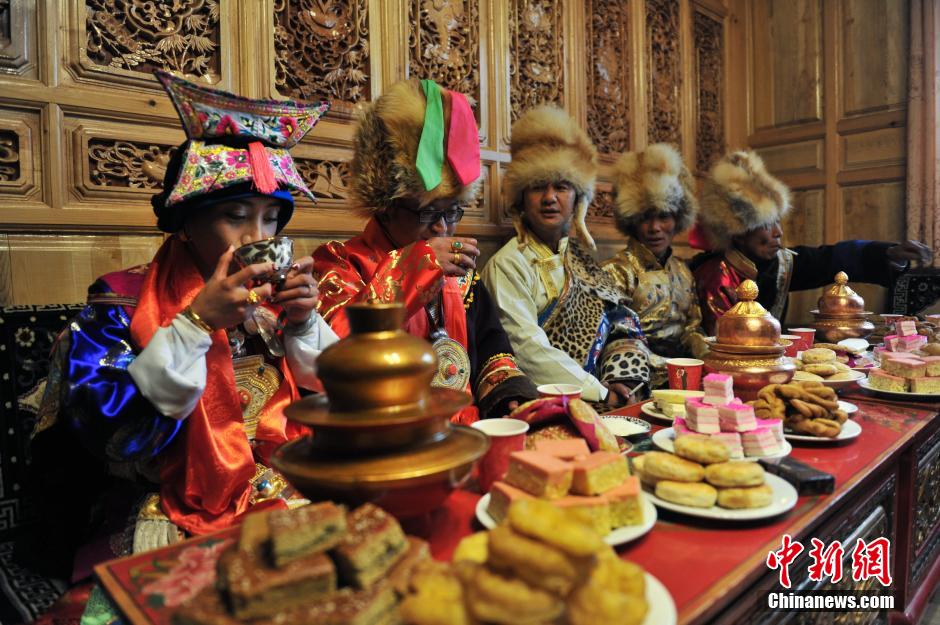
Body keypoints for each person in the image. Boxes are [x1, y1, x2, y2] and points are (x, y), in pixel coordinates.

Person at [28, 71, 338, 577]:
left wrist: (304, 323)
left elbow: (330, 400)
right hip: (164, 500)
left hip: (283, 483)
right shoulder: (120, 305)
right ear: (186, 223)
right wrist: (195, 324)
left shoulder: (273, 300)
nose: (254, 237)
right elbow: (113, 434)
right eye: (235, 215)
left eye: (269, 219)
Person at [313, 78, 537, 422]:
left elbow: (494, 351)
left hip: (468, 436)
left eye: (451, 212)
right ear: (385, 207)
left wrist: (508, 395)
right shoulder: (341, 264)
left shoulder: (461, 274)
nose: (442, 228)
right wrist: (415, 269)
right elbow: (334, 358)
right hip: (388, 441)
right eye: (428, 213)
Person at [480, 105, 651, 406]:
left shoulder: (581, 260)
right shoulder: (508, 265)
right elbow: (527, 350)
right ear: (521, 198)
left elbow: (620, 323)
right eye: (536, 187)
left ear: (577, 200)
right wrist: (601, 393)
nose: (549, 198)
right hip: (546, 404)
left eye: (561, 186)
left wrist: (622, 379)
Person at [691, 150, 934, 334]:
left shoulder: (782, 263)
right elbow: (721, 343)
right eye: (765, 224)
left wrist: (889, 254)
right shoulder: (716, 275)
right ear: (739, 232)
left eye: (778, 221)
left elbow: (830, 259)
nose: (777, 233)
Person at [602, 144, 708, 387]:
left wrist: (705, 352)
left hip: (686, 376)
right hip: (635, 381)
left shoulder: (683, 271)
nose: (654, 228)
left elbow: (692, 327)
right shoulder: (615, 272)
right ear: (631, 221)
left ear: (677, 218)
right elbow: (617, 342)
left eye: (663, 216)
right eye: (645, 218)